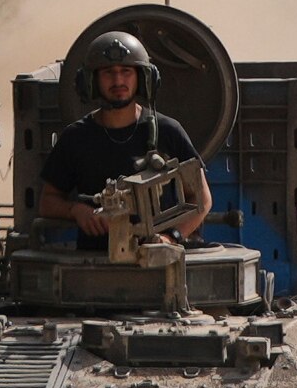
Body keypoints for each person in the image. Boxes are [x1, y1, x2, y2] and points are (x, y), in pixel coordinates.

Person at [36, 29, 211, 247]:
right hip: (94, 264)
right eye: (108, 72)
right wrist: (76, 210)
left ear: (143, 78)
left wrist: (171, 238)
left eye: (126, 71)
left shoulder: (167, 131)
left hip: (157, 263)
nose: (118, 80)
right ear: (91, 81)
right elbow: (48, 201)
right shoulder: (76, 138)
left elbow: (202, 200)